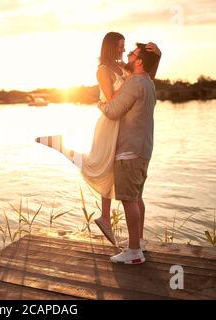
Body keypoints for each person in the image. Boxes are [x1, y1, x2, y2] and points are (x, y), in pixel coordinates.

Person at [35, 32, 161, 248]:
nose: (124, 50)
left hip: (122, 122)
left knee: (110, 171)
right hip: (110, 121)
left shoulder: (126, 68)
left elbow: (146, 74)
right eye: (121, 46)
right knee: (98, 166)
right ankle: (61, 146)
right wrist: (127, 83)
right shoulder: (103, 70)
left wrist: (157, 56)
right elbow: (112, 100)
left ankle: (123, 231)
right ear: (111, 47)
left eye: (126, 47)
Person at [98, 43, 160, 264]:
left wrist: (100, 104)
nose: (128, 55)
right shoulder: (147, 82)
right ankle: (139, 242)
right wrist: (158, 55)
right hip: (143, 149)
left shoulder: (134, 82)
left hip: (129, 151)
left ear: (140, 61)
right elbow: (151, 69)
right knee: (136, 198)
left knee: (128, 200)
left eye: (133, 54)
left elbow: (114, 112)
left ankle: (134, 252)